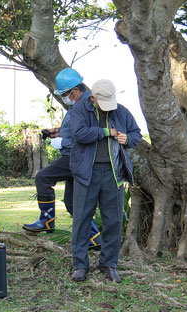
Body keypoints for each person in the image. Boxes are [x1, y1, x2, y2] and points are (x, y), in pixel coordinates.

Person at [69, 79, 141, 283]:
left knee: (114, 220)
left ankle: (109, 264)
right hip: (87, 173)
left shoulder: (121, 111)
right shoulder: (79, 110)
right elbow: (80, 134)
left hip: (113, 174)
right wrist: (106, 132)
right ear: (93, 98)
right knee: (81, 220)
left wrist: (128, 139)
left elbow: (136, 133)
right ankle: (80, 265)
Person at [23, 68, 102, 251]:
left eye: (65, 94)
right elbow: (75, 129)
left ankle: (46, 220)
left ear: (74, 90)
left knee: (43, 177)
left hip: (76, 156)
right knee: (73, 203)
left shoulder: (87, 106)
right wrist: (56, 132)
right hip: (76, 157)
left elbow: (87, 135)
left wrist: (63, 142)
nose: (65, 97)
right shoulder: (79, 104)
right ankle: (94, 239)